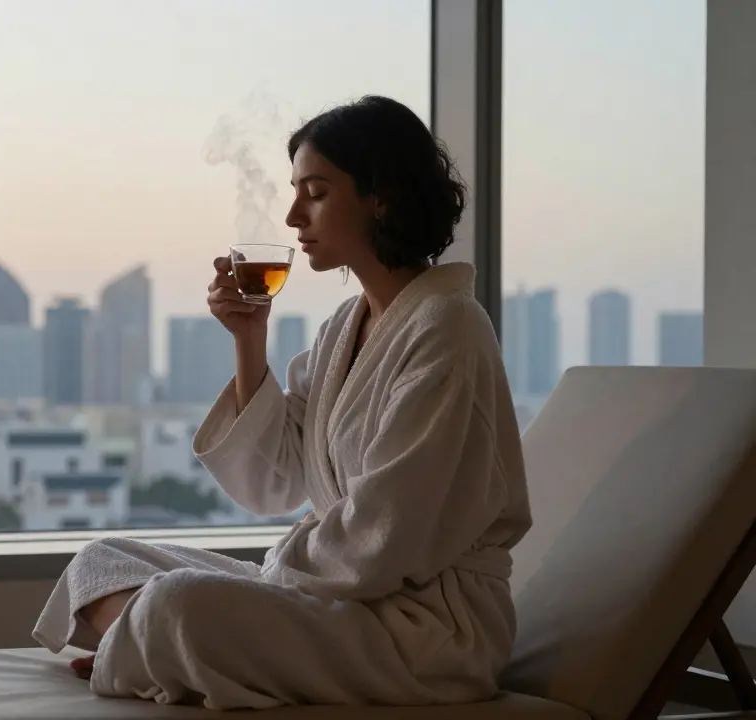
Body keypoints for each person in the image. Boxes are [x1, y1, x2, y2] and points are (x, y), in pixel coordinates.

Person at [31, 95, 531, 710]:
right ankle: (151, 640)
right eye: (295, 191)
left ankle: (153, 638)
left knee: (179, 602)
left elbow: (390, 533)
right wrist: (249, 340)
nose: (293, 216)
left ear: (383, 196)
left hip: (422, 631)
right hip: (343, 592)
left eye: (316, 193)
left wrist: (268, 580)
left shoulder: (447, 329)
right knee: (103, 560)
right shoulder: (345, 327)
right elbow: (274, 483)